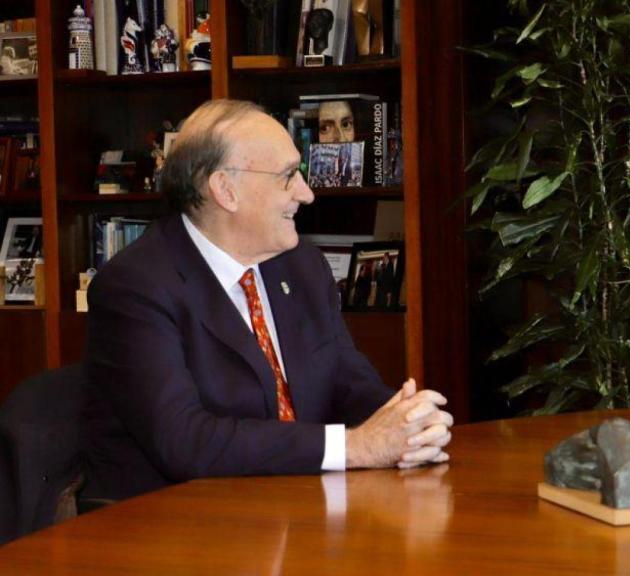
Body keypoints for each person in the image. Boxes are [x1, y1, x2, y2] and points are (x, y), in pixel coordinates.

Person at [80, 99, 452, 502]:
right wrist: (356, 447)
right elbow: (184, 441)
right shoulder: (136, 286)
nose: (307, 194)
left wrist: (405, 423)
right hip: (176, 525)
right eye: (289, 176)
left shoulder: (301, 266)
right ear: (225, 189)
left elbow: (345, 380)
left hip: (295, 505)